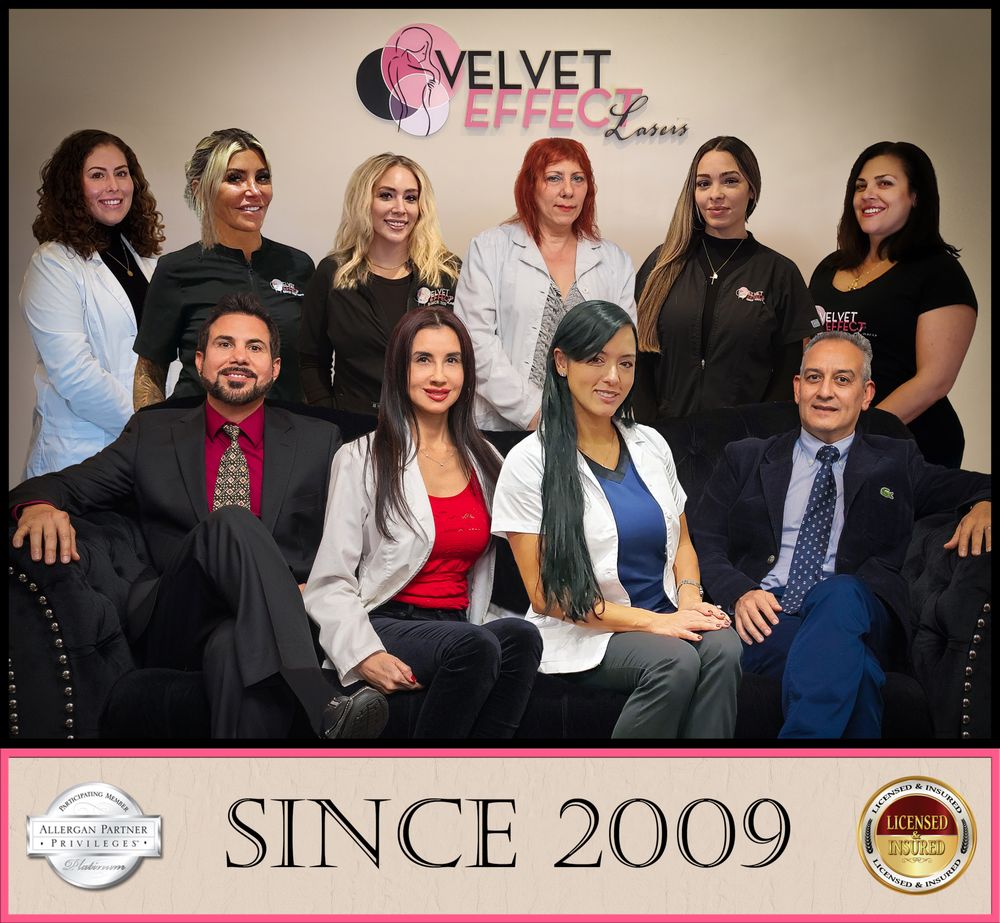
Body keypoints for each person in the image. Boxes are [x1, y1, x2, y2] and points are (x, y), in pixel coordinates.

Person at [10, 293, 388, 741]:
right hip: (176, 616)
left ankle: (240, 782)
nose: (239, 357)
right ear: (200, 361)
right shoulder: (151, 435)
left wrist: (314, 586)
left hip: (275, 623)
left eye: (254, 347)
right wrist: (39, 505)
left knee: (232, 649)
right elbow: (58, 485)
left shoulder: (319, 441)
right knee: (231, 522)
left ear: (274, 368)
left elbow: (357, 536)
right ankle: (317, 698)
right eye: (225, 344)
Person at [692, 331, 991, 739]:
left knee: (839, 592)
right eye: (814, 377)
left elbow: (978, 483)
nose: (825, 392)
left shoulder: (896, 462)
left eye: (842, 379)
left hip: (860, 612)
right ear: (797, 388)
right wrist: (740, 591)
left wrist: (985, 503)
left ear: (866, 394)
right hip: (767, 616)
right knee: (857, 673)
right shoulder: (745, 458)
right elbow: (704, 539)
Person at [492, 301, 742, 739]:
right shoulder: (529, 463)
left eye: (626, 364)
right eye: (596, 359)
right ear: (562, 363)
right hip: (586, 631)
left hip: (666, 612)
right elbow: (546, 595)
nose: (613, 377)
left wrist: (688, 600)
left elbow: (683, 542)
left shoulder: (651, 444)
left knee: (724, 646)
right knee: (675, 660)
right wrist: (656, 623)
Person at [304, 308, 542, 738]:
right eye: (423, 360)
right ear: (400, 369)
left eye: (452, 360)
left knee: (522, 637)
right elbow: (330, 581)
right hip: (388, 619)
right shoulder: (360, 458)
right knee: (476, 645)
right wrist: (363, 654)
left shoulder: (488, 461)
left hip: (458, 624)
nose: (439, 376)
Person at [808, 141, 978, 468]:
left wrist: (856, 432)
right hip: (831, 441)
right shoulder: (828, 268)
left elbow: (934, 381)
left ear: (915, 196)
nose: (868, 194)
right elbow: (810, 356)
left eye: (884, 183)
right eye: (860, 186)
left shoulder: (939, 271)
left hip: (910, 443)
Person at [455, 138, 636, 432]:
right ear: (530, 186)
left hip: (589, 428)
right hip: (505, 429)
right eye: (554, 178)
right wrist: (535, 412)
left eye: (578, 179)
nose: (568, 190)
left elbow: (623, 347)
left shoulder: (614, 261)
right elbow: (475, 343)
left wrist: (585, 418)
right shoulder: (489, 249)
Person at [632, 136, 818, 424]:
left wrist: (757, 435)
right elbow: (638, 358)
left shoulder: (779, 273)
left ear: (752, 190)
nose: (715, 194)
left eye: (730, 181)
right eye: (703, 183)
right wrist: (650, 430)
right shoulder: (662, 264)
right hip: (665, 438)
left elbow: (789, 373)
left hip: (746, 443)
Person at [133, 127, 314, 408]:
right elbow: (149, 372)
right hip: (198, 429)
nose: (254, 191)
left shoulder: (298, 266)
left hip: (284, 430)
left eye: (262, 177)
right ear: (200, 189)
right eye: (234, 178)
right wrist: (149, 430)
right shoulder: (176, 270)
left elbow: (310, 367)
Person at [20, 129, 164, 478]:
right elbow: (74, 373)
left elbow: (163, 353)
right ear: (73, 188)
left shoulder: (143, 259)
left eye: (121, 173)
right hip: (81, 453)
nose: (113, 186)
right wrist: (147, 424)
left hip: (145, 448)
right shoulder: (53, 263)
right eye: (97, 175)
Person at [297, 152, 460, 427]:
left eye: (410, 198)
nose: (400, 208)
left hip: (430, 428)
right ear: (363, 202)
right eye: (386, 196)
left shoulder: (446, 274)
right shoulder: (333, 274)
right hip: (353, 429)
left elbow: (464, 358)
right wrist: (329, 417)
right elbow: (310, 361)